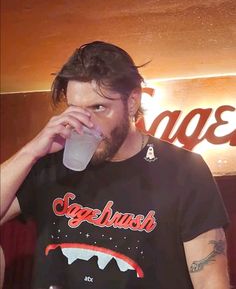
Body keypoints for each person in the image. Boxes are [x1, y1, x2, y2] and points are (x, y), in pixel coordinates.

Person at [0, 41, 230, 289]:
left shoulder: (184, 170)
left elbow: (209, 279)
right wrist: (33, 150)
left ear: (132, 102)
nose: (87, 123)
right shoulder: (50, 165)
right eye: (76, 109)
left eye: (99, 108)